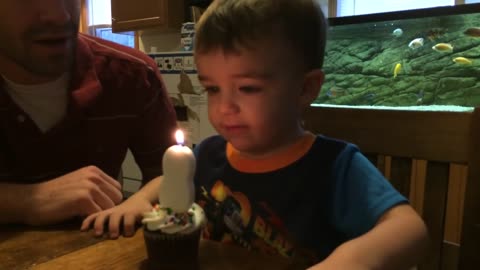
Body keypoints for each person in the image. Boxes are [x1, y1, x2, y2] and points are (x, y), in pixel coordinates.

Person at [84, 0, 429, 268]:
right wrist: (137, 201)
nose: (224, 108)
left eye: (248, 88)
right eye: (213, 89)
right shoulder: (210, 153)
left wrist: (353, 260)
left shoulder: (334, 167)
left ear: (306, 88)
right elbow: (168, 180)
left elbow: (410, 229)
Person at [0, 0, 177, 228]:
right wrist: (28, 201)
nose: (59, 16)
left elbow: (169, 173)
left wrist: (139, 199)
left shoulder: (134, 75)